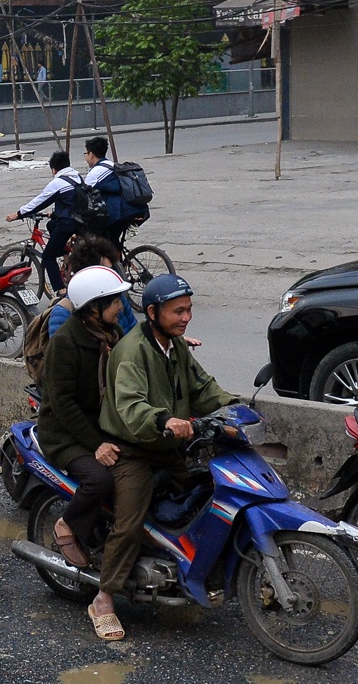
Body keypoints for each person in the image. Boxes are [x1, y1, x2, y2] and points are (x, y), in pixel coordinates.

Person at [95, 274, 231, 639]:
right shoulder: (131, 351)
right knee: (130, 518)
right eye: (178, 311)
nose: (186, 318)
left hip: (168, 446)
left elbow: (202, 387)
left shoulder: (176, 346)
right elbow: (131, 405)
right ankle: (104, 597)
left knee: (207, 492)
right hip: (133, 449)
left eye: (189, 310)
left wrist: (233, 409)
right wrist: (164, 419)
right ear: (153, 312)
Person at [34, 266, 135, 634]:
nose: (122, 307)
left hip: (102, 426)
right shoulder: (67, 342)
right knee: (99, 479)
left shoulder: (111, 333)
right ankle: (67, 525)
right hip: (65, 435)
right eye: (115, 302)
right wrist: (97, 444)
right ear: (94, 307)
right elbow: (61, 403)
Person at [6, 150, 91, 292]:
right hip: (81, 221)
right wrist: (54, 213)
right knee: (51, 224)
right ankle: (66, 256)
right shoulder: (77, 177)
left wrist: (19, 214)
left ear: (54, 169)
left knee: (48, 257)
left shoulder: (58, 182)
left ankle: (61, 291)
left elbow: (39, 201)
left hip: (68, 224)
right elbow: (70, 201)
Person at [43, 234, 137, 340]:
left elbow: (135, 333)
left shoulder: (118, 298)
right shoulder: (63, 313)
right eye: (105, 270)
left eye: (112, 269)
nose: (111, 274)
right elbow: (59, 351)